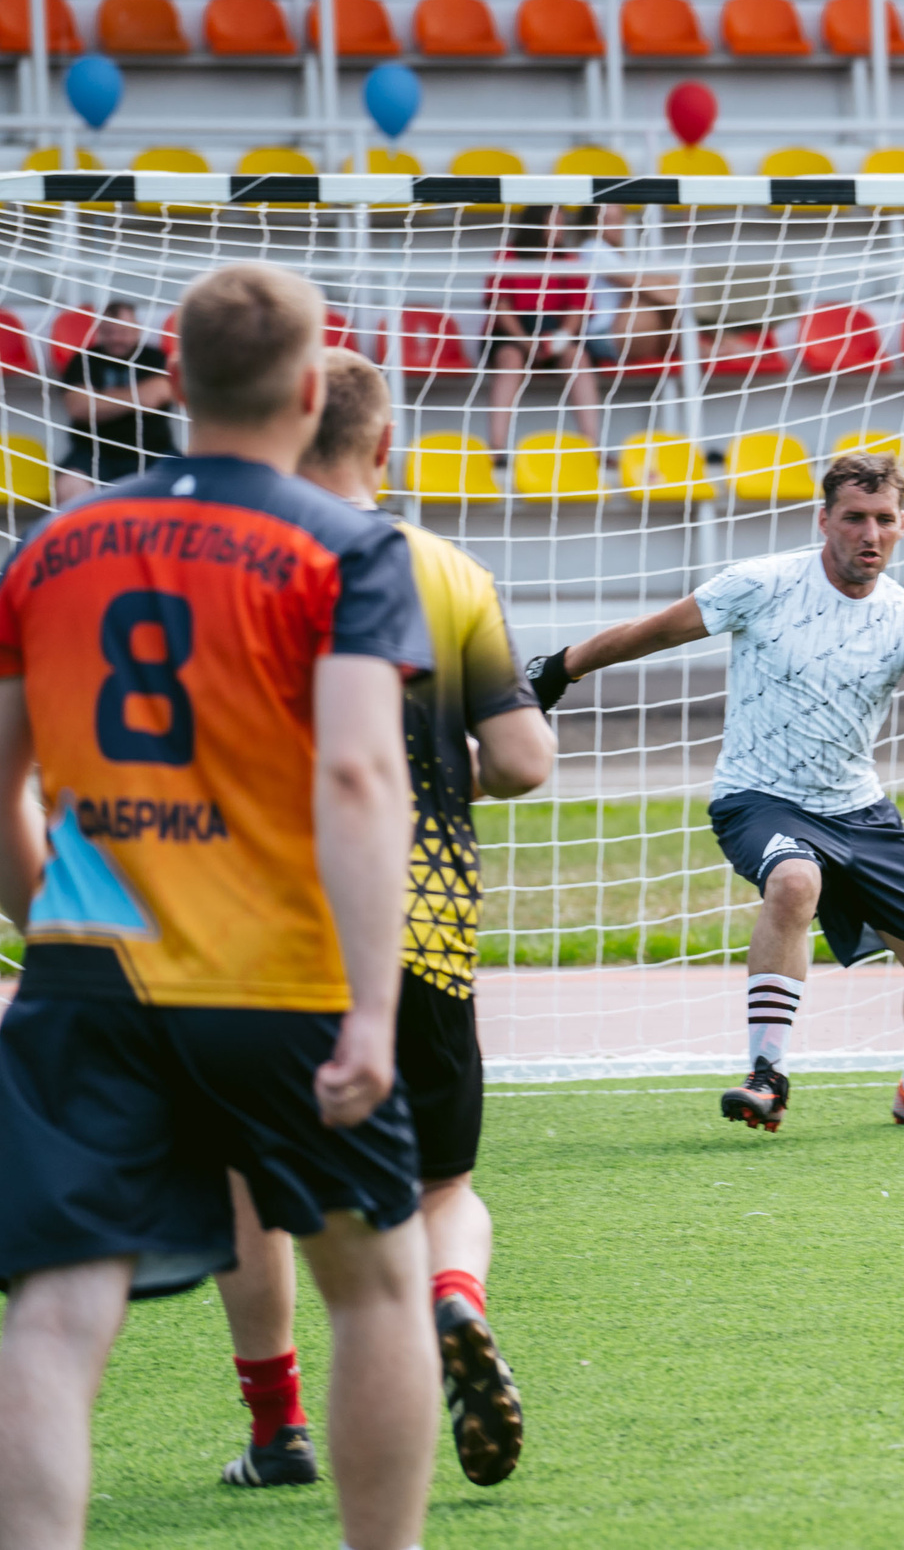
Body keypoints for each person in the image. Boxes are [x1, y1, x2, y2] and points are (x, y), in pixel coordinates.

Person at [0, 264, 441, 1550]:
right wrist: (369, 1007)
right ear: (313, 393)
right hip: (277, 977)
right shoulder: (349, 545)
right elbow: (361, 772)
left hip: (91, 968)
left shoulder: (48, 545)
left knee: (58, 1309)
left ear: (174, 385)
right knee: (373, 1287)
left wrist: (54, 918)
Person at [211, 350, 554, 1492]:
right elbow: (522, 760)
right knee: (443, 1189)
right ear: (387, 446)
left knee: (249, 1188)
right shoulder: (448, 568)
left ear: (287, 429)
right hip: (427, 933)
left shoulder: (240, 559)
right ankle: (456, 1298)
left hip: (268, 940)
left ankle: (278, 1429)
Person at [522, 452, 904, 1132]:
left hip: (857, 809)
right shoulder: (763, 584)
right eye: (854, 517)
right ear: (824, 519)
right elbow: (655, 631)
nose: (868, 533)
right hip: (758, 797)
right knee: (793, 881)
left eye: (883, 519)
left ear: (903, 525)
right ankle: (766, 1073)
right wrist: (560, 669)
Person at [483, 204, 602, 458]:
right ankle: (497, 448)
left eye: (562, 223)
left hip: (554, 333)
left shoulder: (568, 260)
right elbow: (501, 307)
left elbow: (578, 307)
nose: (559, 230)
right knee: (511, 360)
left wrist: (560, 339)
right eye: (553, 223)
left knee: (578, 358)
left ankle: (593, 447)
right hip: (512, 334)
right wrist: (527, 343)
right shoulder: (508, 256)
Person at [53, 300, 178, 505]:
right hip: (92, 453)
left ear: (137, 329)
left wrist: (100, 398)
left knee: (190, 486)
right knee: (70, 487)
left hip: (155, 451)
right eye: (110, 332)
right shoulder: (83, 361)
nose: (117, 338)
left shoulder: (155, 358)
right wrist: (137, 398)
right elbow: (80, 407)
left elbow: (156, 395)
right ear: (100, 331)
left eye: (123, 331)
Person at [567, 204, 677, 369]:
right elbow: (636, 282)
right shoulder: (593, 248)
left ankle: (696, 349)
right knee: (654, 299)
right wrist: (671, 296)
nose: (617, 226)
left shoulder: (611, 252)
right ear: (593, 224)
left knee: (665, 294)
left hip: (616, 331)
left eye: (619, 220)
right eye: (610, 221)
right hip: (604, 335)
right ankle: (698, 350)